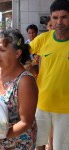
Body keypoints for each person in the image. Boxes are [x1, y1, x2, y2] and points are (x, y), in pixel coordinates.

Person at [29, 0, 69, 150]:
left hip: (66, 109)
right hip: (42, 103)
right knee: (38, 145)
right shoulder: (43, 39)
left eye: (64, 17)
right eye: (55, 17)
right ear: (51, 18)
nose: (59, 22)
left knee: (60, 148)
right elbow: (21, 52)